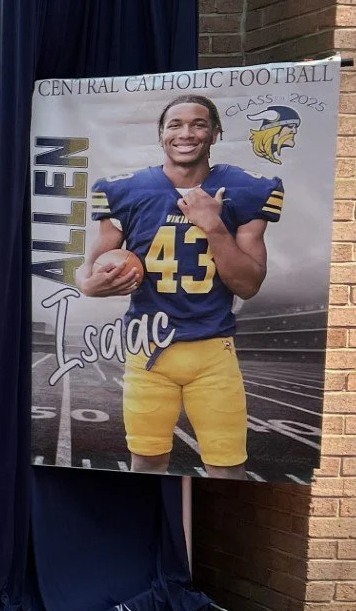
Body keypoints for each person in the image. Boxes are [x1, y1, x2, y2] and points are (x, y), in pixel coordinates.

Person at [79, 93, 283, 478]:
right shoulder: (126, 190)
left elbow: (249, 284)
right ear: (161, 136)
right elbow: (87, 267)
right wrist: (88, 286)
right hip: (147, 349)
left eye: (198, 124)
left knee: (227, 469)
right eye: (175, 125)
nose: (186, 133)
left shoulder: (248, 189)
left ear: (215, 133)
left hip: (212, 350)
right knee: (146, 463)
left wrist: (213, 225)